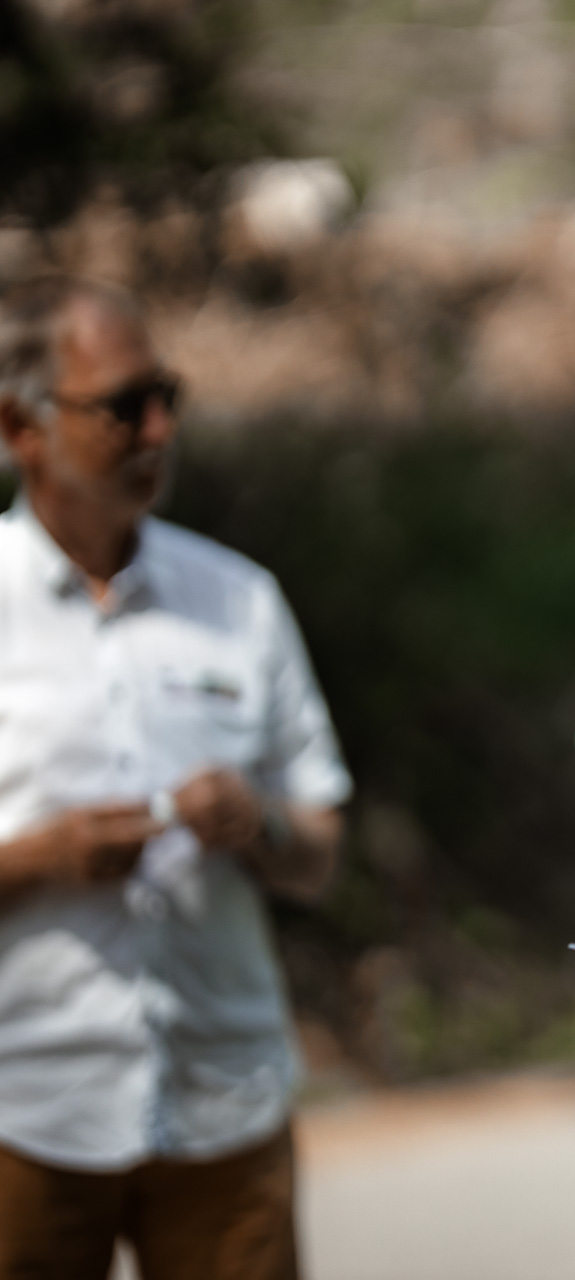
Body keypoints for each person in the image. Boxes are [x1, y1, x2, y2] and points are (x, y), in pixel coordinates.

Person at [0, 276, 350, 1279]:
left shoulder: (239, 598)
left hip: (224, 1101)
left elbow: (320, 853)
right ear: (21, 426)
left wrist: (260, 824)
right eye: (122, 404)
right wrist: (47, 854)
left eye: (166, 396)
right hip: (25, 1105)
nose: (157, 427)